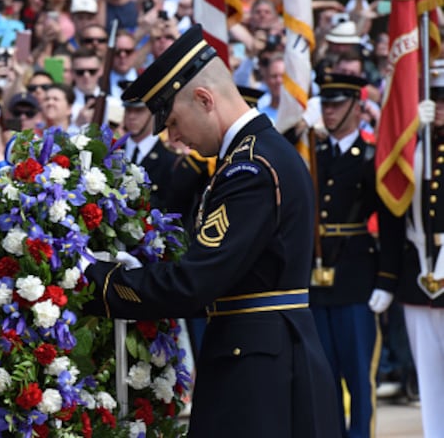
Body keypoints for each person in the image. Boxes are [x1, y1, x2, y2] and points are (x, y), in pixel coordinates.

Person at [82, 24, 340, 437]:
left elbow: (193, 283)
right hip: (258, 357)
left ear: (204, 99)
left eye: (174, 120)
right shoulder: (251, 157)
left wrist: (95, 281)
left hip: (258, 375)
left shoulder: (249, 168)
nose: (173, 137)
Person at [309, 72, 403, 438]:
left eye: (337, 104)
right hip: (317, 280)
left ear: (356, 107)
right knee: (324, 373)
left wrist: (387, 279)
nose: (329, 112)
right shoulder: (312, 155)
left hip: (357, 278)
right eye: (326, 104)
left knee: (359, 376)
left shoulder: (371, 156)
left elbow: (391, 223)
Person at [398, 60, 444, 438]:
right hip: (418, 272)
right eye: (434, 100)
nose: (440, 107)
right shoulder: (416, 144)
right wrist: (411, 133)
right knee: (428, 376)